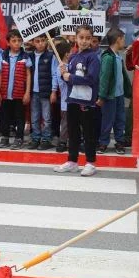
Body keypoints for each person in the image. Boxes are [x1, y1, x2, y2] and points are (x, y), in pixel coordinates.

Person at [54, 26, 101, 176]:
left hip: (86, 102)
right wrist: (63, 74)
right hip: (72, 100)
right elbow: (68, 81)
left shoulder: (93, 57)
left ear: (92, 40)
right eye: (81, 37)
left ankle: (90, 163)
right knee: (72, 132)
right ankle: (72, 161)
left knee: (88, 133)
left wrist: (71, 77)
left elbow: (92, 79)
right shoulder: (73, 57)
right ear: (75, 38)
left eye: (88, 38)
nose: (84, 41)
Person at [0, 29, 31, 149]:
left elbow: (28, 75)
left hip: (19, 93)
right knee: (5, 116)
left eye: (19, 41)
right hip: (5, 93)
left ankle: (19, 138)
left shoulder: (25, 56)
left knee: (20, 117)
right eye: (14, 41)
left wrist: (27, 93)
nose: (17, 43)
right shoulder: (3, 56)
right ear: (8, 43)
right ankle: (5, 137)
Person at [97, 29, 131, 155]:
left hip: (119, 95)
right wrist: (102, 96)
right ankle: (103, 142)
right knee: (108, 120)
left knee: (120, 119)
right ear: (118, 40)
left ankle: (119, 141)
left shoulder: (118, 56)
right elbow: (104, 78)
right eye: (123, 39)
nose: (124, 41)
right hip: (109, 96)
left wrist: (128, 91)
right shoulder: (108, 57)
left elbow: (123, 76)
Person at [27, 34, 58, 150]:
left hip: (46, 92)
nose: (40, 43)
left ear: (47, 42)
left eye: (43, 41)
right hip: (33, 92)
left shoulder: (51, 56)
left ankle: (46, 139)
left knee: (46, 117)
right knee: (34, 117)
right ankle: (35, 137)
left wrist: (53, 91)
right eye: (37, 41)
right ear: (33, 43)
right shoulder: (29, 56)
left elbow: (54, 74)